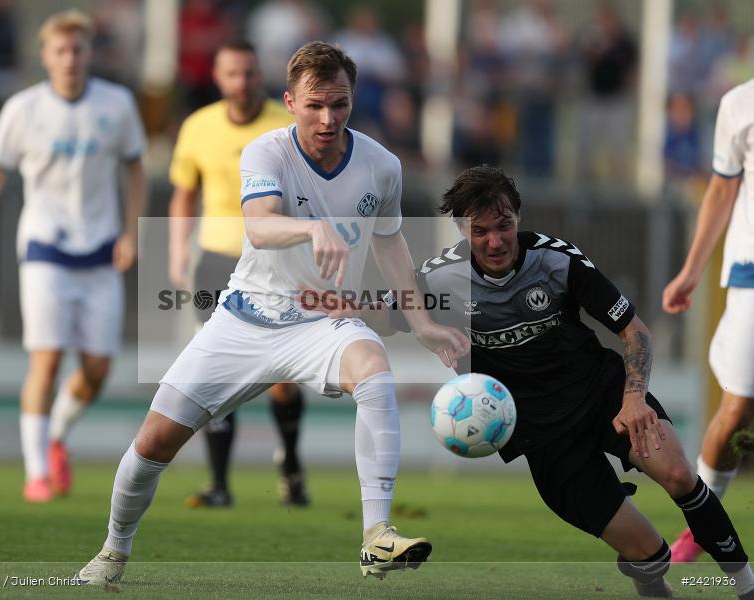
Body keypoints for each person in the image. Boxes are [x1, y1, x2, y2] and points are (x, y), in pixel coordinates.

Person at [74, 41, 467, 587]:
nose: (328, 118)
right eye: (315, 105)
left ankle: (377, 535)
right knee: (153, 444)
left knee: (375, 370)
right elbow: (259, 226)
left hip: (322, 323)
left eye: (340, 104)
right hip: (245, 321)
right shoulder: (266, 151)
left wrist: (421, 322)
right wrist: (312, 229)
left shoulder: (382, 165)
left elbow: (389, 242)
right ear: (289, 102)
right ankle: (112, 553)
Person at [320, 165, 754, 599]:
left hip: (603, 397)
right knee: (650, 554)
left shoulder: (556, 259)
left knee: (680, 475)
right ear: (462, 231)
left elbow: (634, 331)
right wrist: (333, 304)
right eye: (480, 231)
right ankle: (650, 574)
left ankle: (746, 586)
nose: (495, 241)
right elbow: (384, 314)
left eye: (503, 226)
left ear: (519, 217)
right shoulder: (440, 278)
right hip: (543, 438)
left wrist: (635, 398)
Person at [0, 10, 147, 503]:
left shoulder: (116, 104)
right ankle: (36, 474)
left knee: (96, 370)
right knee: (46, 360)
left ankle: (55, 435)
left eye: (78, 50)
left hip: (100, 251)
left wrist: (131, 233)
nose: (70, 59)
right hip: (45, 248)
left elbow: (135, 167)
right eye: (61, 51)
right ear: (45, 56)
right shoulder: (23, 109)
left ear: (89, 54)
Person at [168, 39, 309, 509]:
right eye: (232, 73)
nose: (242, 82)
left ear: (259, 75)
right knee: (214, 370)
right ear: (218, 77)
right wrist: (177, 250)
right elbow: (185, 193)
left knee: (282, 375)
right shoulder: (198, 127)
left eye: (249, 73)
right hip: (214, 258)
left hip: (274, 262)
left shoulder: (284, 125)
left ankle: (290, 465)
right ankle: (219, 484)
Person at [663, 76, 754, 564]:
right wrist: (691, 271)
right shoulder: (740, 104)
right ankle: (703, 521)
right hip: (751, 274)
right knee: (738, 409)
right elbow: (721, 190)